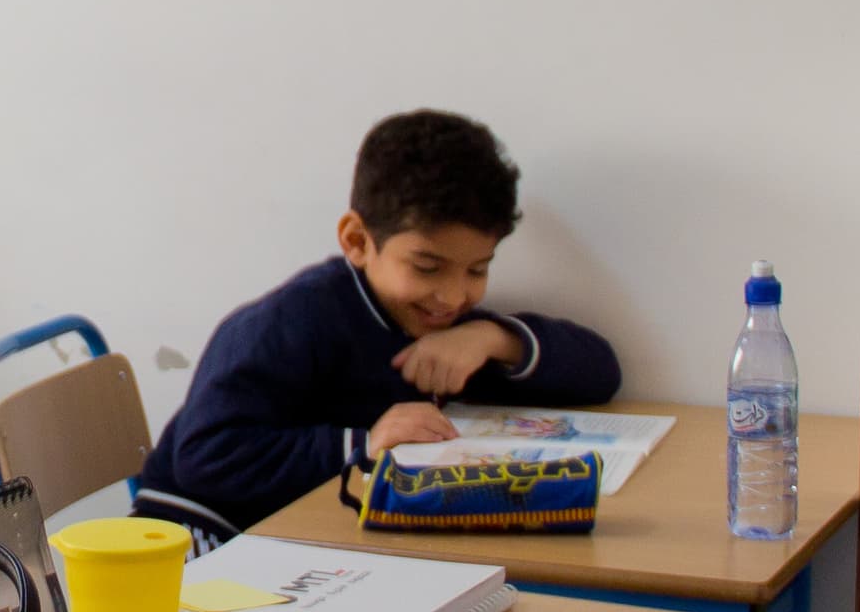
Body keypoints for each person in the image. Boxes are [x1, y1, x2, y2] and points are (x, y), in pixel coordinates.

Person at [143, 110, 621, 530]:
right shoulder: (290, 322)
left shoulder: (452, 328)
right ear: (356, 241)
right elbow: (205, 458)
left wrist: (494, 338)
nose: (454, 295)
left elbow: (601, 375)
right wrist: (365, 443)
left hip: (326, 540)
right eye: (427, 267)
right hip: (199, 535)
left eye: (478, 269)